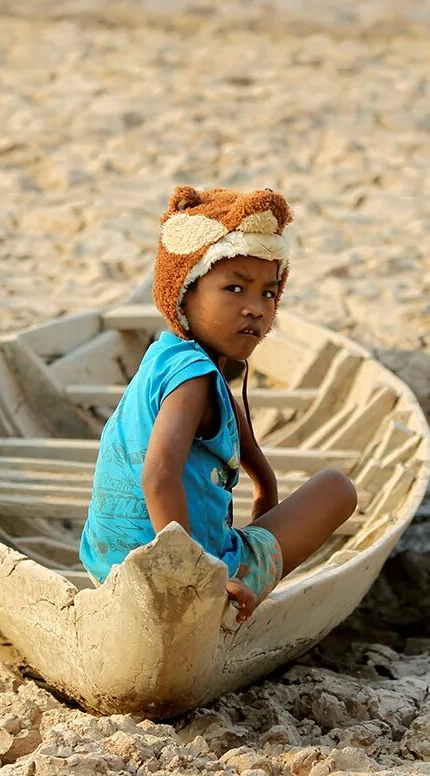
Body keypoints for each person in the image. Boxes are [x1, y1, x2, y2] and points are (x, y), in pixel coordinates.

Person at [79, 186, 357, 622]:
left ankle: (208, 564)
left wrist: (264, 483)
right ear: (183, 293)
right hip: (173, 576)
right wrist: (193, 576)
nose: (255, 309)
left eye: (268, 293)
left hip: (108, 562)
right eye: (234, 288)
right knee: (337, 489)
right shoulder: (195, 380)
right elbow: (157, 476)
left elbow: (231, 418)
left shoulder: (168, 355)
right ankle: (225, 578)